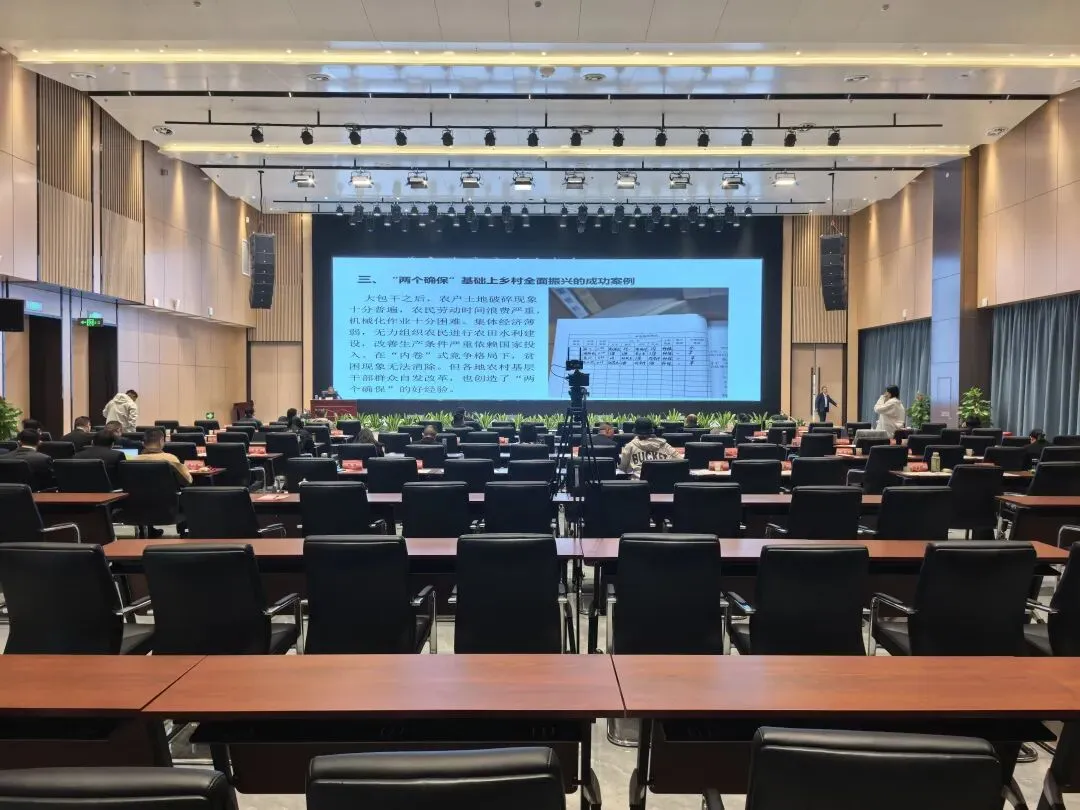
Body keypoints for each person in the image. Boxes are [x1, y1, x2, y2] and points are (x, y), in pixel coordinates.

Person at [127, 427, 192, 487]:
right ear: (161, 441)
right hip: (167, 495)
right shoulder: (171, 459)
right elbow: (187, 481)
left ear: (143, 443)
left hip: (139, 496)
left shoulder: (132, 461)